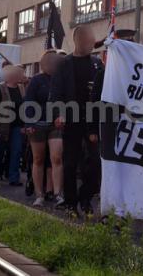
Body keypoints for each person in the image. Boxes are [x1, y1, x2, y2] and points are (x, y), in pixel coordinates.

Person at [49, 25, 103, 217]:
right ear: (78, 40)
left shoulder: (97, 64)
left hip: (92, 121)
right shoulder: (64, 64)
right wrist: (59, 114)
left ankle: (86, 197)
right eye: (89, 41)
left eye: (93, 41)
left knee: (95, 162)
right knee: (70, 163)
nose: (92, 44)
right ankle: (71, 203)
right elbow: (55, 93)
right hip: (70, 120)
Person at [25, 50, 65, 207]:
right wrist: (28, 124)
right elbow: (28, 102)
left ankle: (57, 194)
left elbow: (65, 100)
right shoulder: (36, 81)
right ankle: (39, 195)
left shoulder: (61, 80)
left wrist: (62, 115)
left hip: (55, 125)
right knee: (38, 159)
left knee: (56, 158)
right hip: (37, 124)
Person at [0, 65, 26, 186]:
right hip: (2, 124)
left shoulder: (22, 88)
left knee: (16, 151)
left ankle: (13, 177)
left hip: (17, 125)